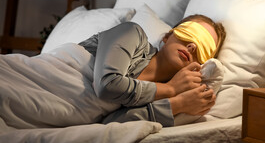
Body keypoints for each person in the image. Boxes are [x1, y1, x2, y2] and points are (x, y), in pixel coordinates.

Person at [79, 14, 226, 127]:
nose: (193, 46)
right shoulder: (131, 33)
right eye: (190, 34)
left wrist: (178, 104)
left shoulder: (162, 97)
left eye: (204, 48)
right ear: (168, 36)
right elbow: (107, 86)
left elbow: (110, 125)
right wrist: (170, 88)